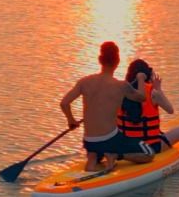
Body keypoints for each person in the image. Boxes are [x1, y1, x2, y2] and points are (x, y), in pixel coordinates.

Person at [60, 41, 149, 171]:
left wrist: (71, 120)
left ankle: (93, 161)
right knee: (149, 154)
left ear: (99, 60)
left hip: (89, 141)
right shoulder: (121, 86)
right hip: (111, 139)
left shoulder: (84, 82)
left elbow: (64, 103)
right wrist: (141, 78)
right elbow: (141, 97)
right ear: (118, 61)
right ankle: (115, 155)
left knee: (92, 161)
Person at [119, 60, 179, 155]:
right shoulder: (153, 93)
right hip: (152, 147)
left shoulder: (118, 92)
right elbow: (170, 110)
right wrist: (158, 88)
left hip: (126, 147)